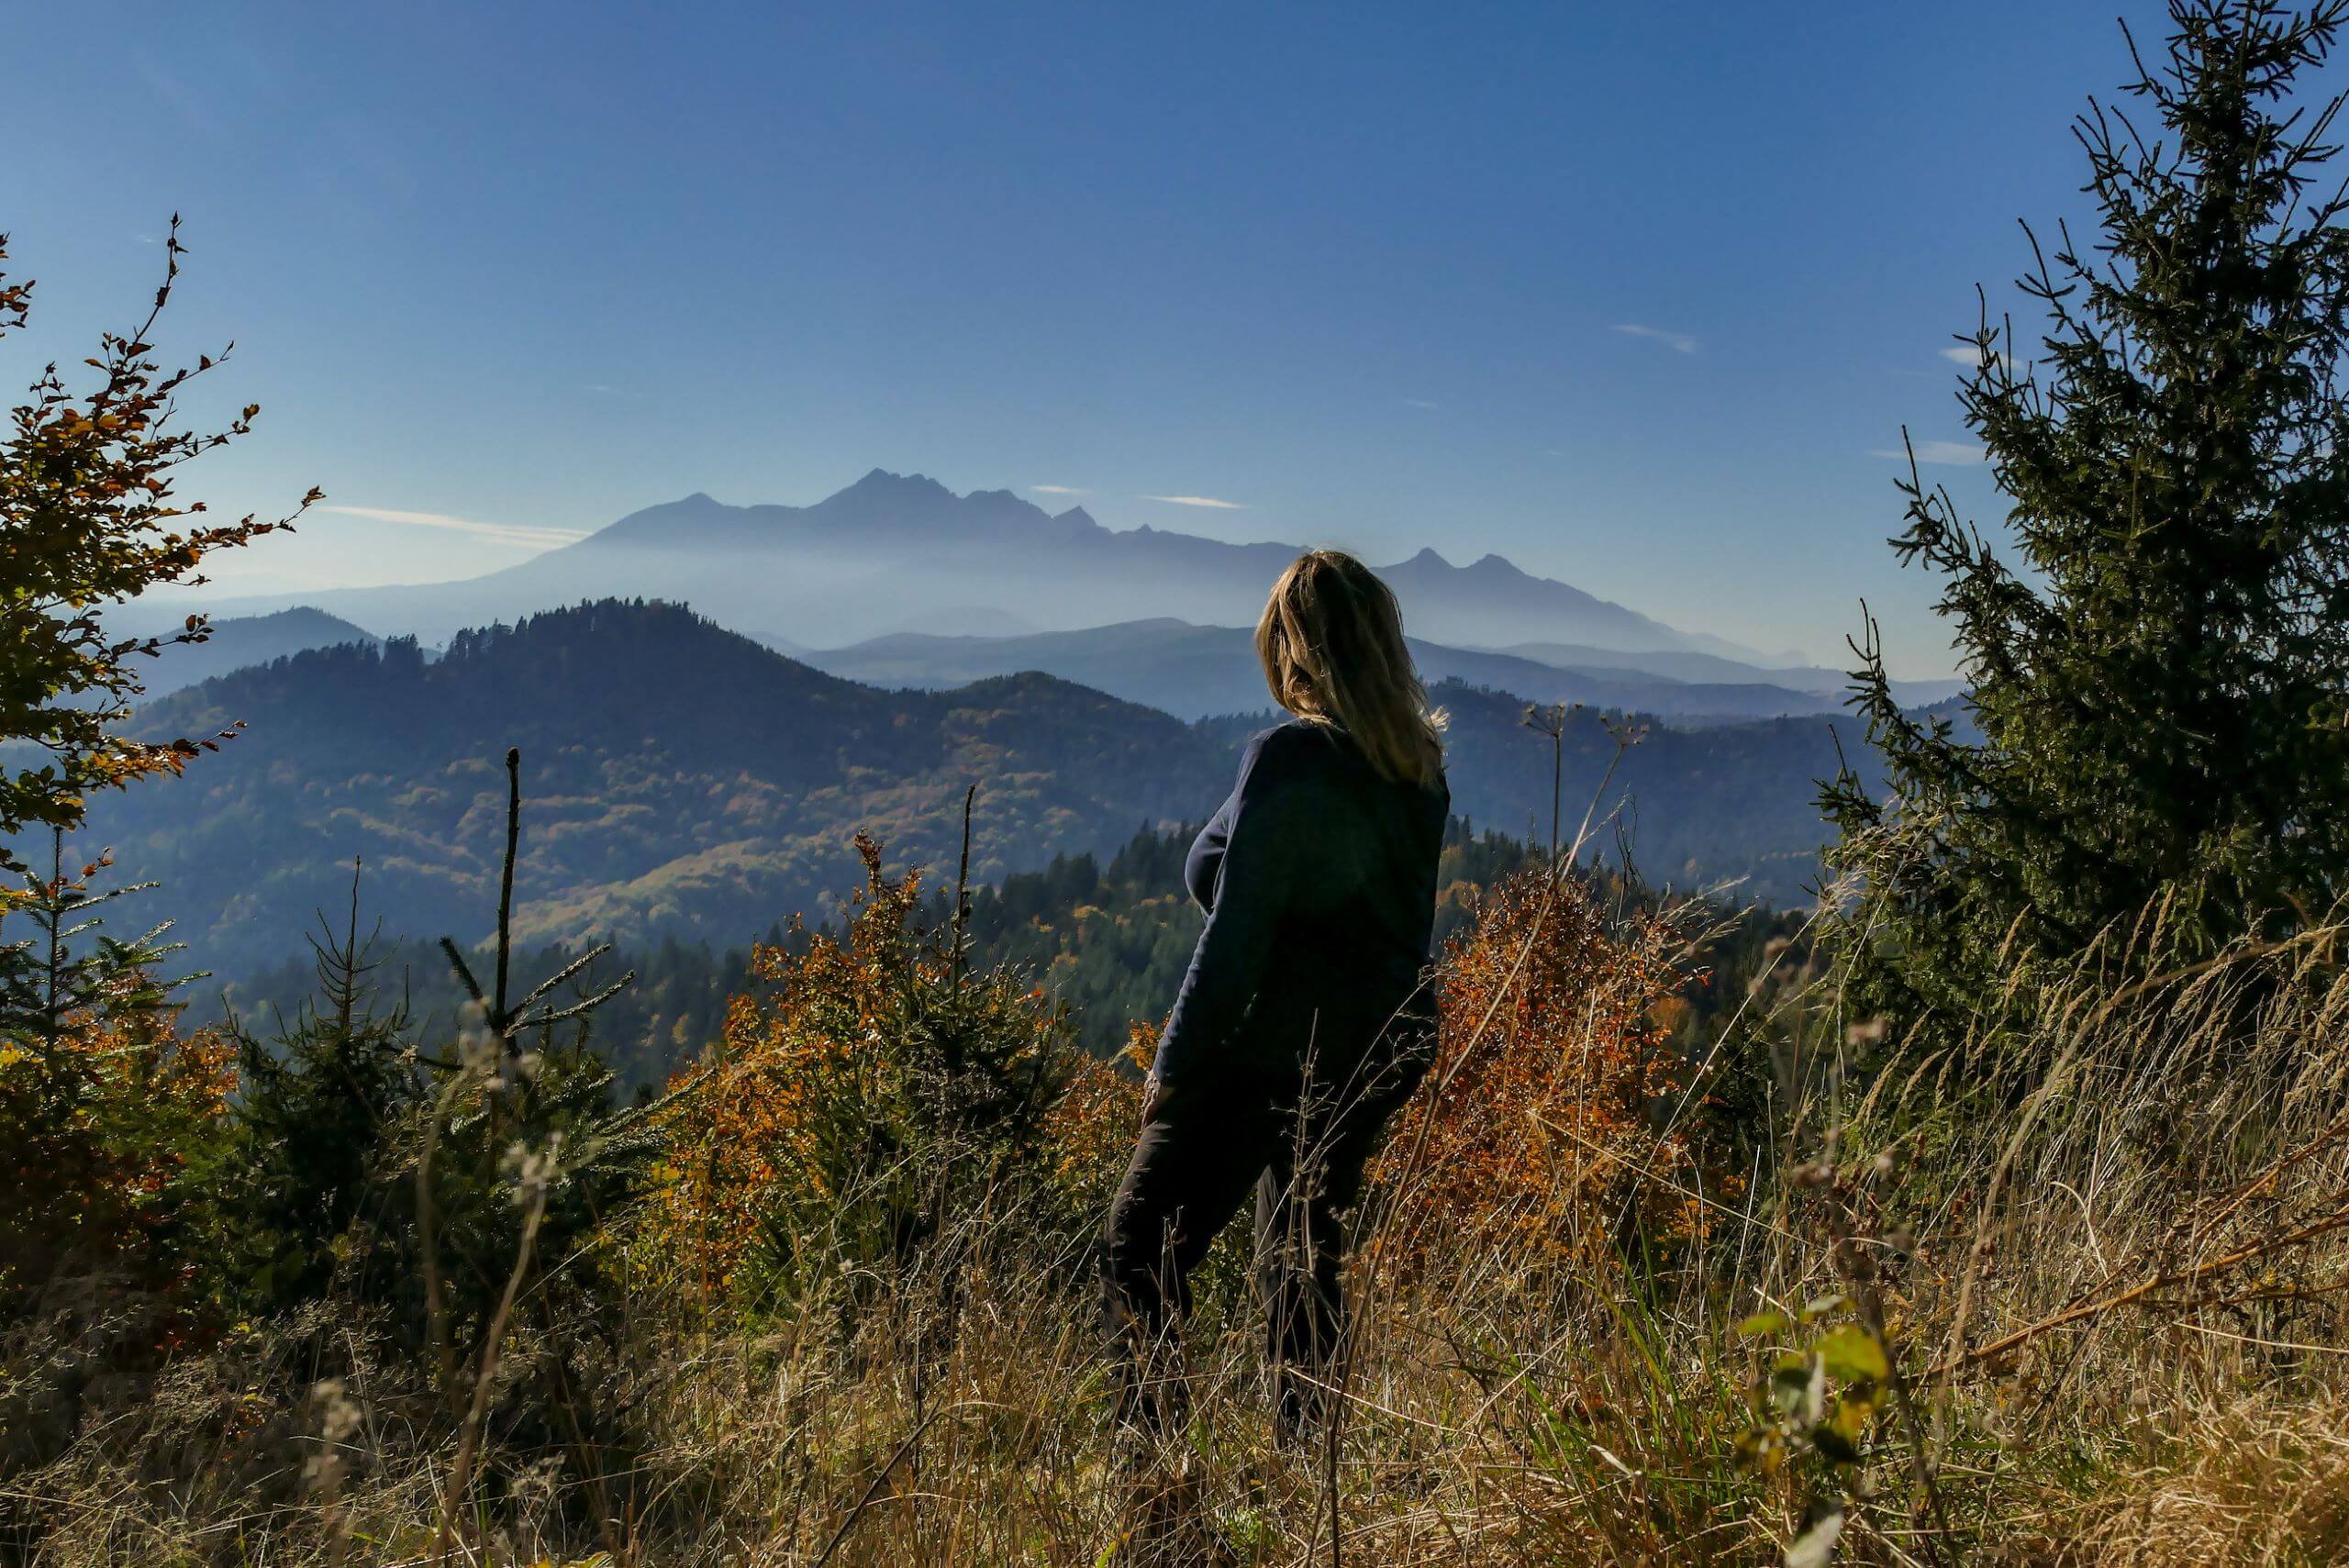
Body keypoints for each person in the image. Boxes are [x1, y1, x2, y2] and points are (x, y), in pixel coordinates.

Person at [1101, 548, 1449, 1442]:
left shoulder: (1290, 757)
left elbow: (1237, 934)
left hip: (1268, 1045)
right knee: (1301, 1263)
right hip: (1373, 1050)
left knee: (1137, 1247)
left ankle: (1159, 1480)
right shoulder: (1415, 768)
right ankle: (1303, 1471)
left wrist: (1173, 1065)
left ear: (1296, 646)